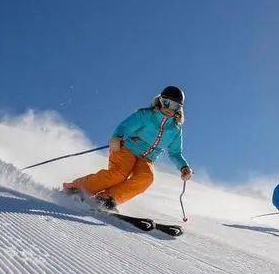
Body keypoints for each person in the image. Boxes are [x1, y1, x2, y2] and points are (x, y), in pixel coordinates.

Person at [63, 86, 193, 209]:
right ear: (160, 100)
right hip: (127, 149)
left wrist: (183, 167)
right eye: (166, 102)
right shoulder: (146, 115)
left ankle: (107, 198)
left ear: (179, 108)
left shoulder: (175, 129)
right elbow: (125, 126)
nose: (169, 108)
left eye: (175, 105)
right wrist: (116, 138)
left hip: (146, 159)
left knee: (146, 178)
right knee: (119, 173)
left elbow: (175, 153)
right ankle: (77, 188)